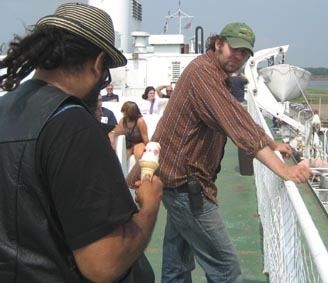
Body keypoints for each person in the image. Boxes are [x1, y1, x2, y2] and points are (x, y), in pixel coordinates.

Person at [127, 22, 311, 282]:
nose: (238, 57)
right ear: (218, 44)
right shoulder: (204, 74)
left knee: (176, 262)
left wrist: (272, 144)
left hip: (174, 179)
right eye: (234, 49)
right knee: (225, 268)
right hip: (187, 186)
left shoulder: (210, 73)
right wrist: (286, 171)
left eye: (245, 53)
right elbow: (237, 124)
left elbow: (239, 119)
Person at [0, 3, 163, 283]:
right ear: (98, 63)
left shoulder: (5, 109)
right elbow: (103, 263)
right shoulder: (72, 124)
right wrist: (150, 206)